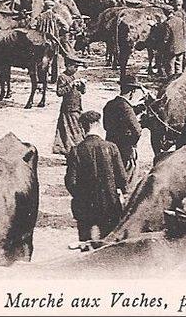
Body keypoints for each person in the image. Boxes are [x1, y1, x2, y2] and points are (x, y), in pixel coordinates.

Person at [65, 110, 129, 243]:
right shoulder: (111, 147)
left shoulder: (76, 151)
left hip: (85, 207)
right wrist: (120, 192)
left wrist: (82, 197)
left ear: (83, 127)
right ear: (97, 124)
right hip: (110, 205)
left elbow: (71, 182)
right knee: (109, 244)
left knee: (85, 244)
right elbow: (122, 178)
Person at [103, 75, 144, 183]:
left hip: (111, 146)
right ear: (132, 91)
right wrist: (132, 144)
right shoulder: (127, 108)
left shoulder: (109, 104)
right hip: (126, 149)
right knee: (127, 180)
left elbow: (105, 126)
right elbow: (137, 131)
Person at [53, 62, 86, 156]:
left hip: (77, 106)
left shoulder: (77, 75)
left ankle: (75, 149)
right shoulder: (62, 77)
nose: (76, 69)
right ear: (68, 66)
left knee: (77, 128)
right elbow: (59, 92)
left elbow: (83, 92)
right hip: (67, 108)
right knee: (68, 130)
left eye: (77, 67)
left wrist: (82, 85)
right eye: (74, 67)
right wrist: (71, 85)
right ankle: (70, 149)